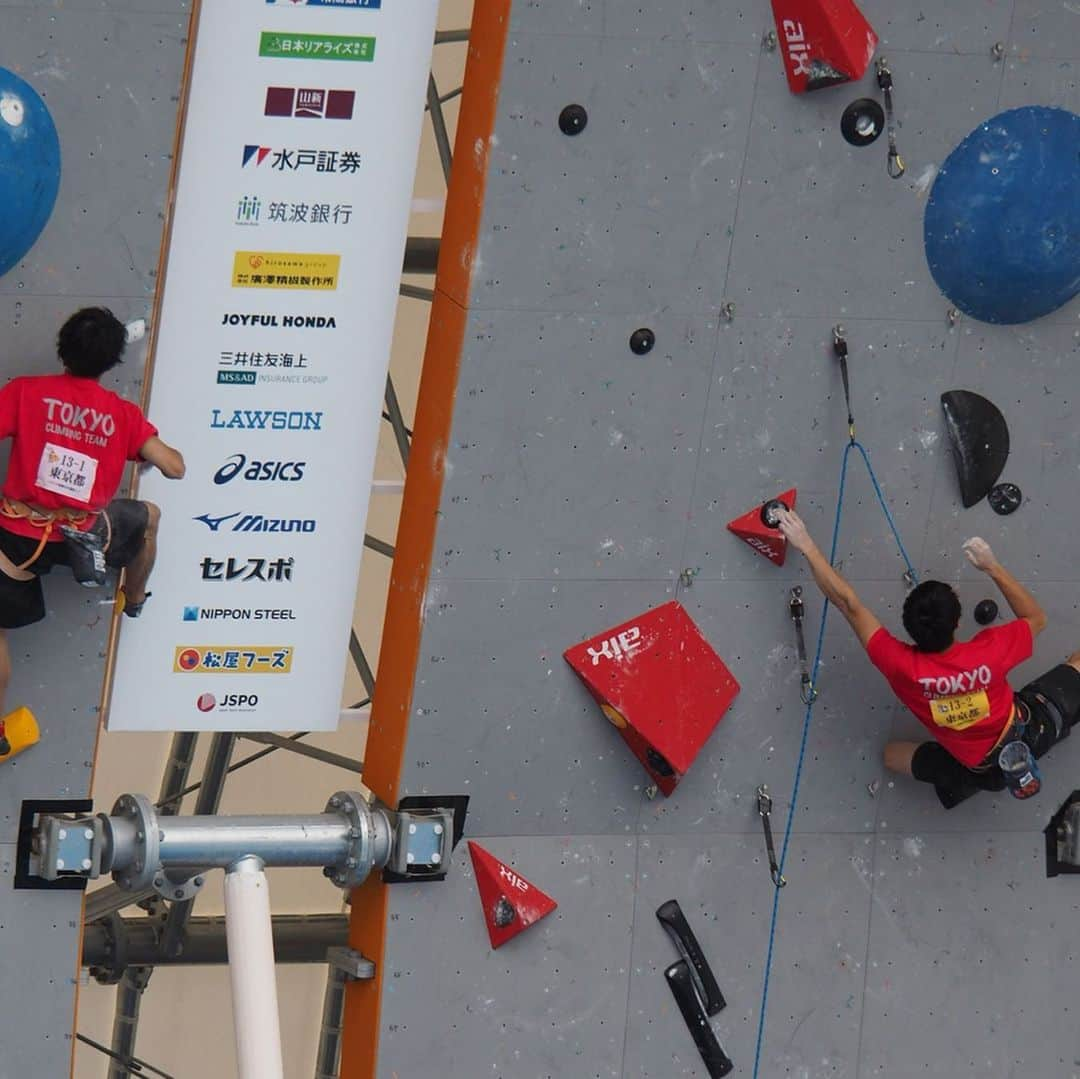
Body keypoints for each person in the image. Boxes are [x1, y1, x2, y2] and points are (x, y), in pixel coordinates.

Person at [777, 507, 1079, 808]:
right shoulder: (990, 651)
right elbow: (1036, 618)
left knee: (891, 756)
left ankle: (967, 779)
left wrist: (806, 544)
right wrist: (992, 567)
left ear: (911, 631)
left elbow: (848, 604)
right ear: (957, 622)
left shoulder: (900, 665)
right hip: (1028, 732)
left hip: (980, 767)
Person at [0, 307, 184, 725]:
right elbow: (174, 467)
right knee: (149, 516)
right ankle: (134, 598)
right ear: (111, 362)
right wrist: (138, 448)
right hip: (83, 538)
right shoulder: (121, 415)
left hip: (17, 534)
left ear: (63, 350)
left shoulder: (26, 392)